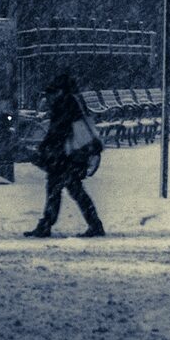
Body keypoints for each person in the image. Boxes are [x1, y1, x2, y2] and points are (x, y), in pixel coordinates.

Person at [25, 73, 106, 239]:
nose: (48, 98)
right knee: (70, 190)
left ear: (59, 91)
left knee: (60, 190)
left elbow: (58, 131)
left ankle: (48, 225)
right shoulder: (71, 102)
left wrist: (44, 148)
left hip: (67, 157)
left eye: (51, 94)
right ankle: (92, 224)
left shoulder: (64, 104)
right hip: (72, 156)